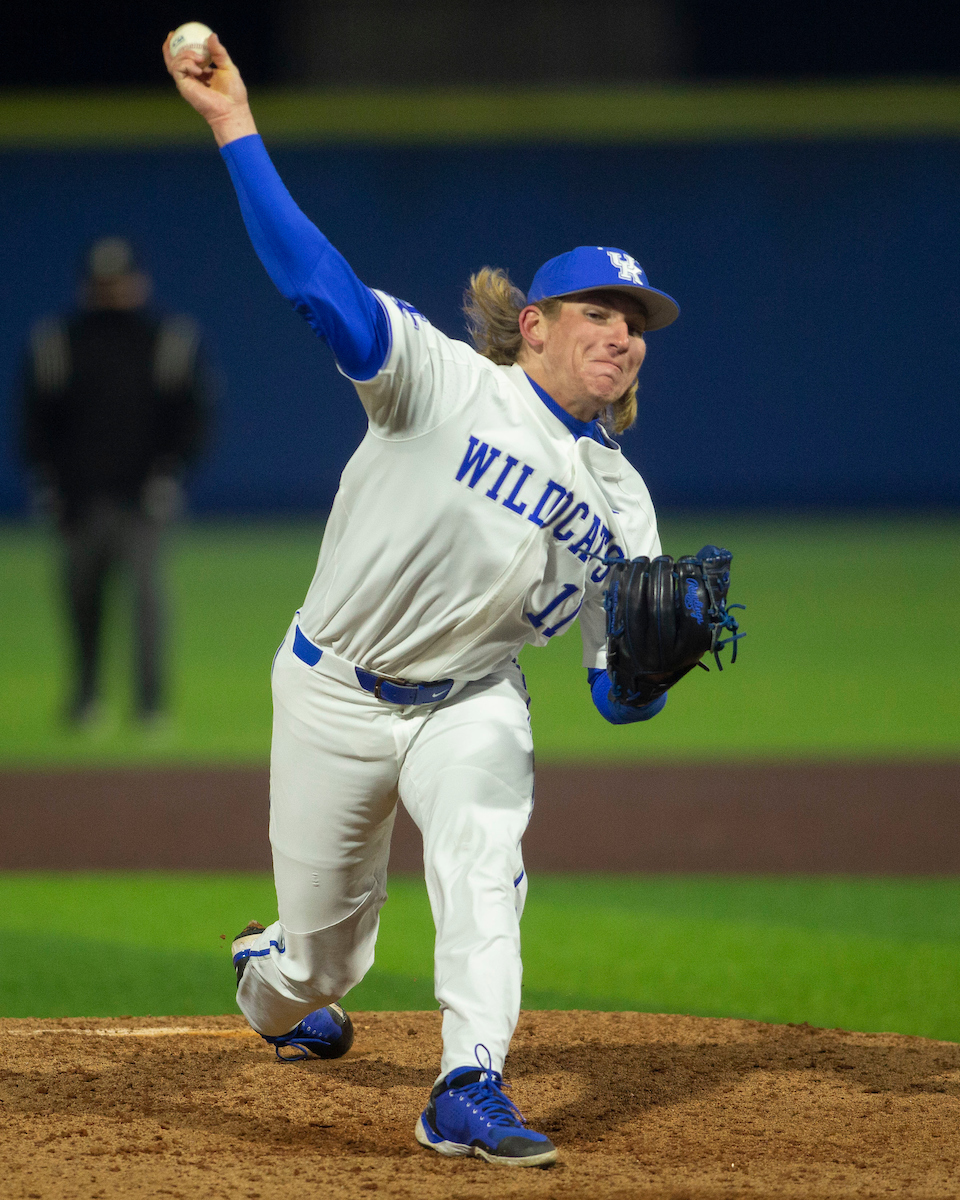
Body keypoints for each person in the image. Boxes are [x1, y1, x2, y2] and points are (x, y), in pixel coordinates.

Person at [164, 31, 679, 1168]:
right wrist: (233, 126)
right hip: (332, 693)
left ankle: (468, 1084)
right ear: (534, 325)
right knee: (321, 965)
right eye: (598, 310)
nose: (622, 334)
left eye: (635, 322)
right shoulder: (441, 382)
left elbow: (612, 692)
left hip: (470, 702)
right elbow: (316, 284)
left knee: (484, 860)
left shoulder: (626, 506)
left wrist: (642, 676)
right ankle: (275, 977)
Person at [19, 235, 210, 726]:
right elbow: (35, 420)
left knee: (147, 602)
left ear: (138, 283)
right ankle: (86, 700)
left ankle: (150, 706)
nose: (112, 293)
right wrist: (49, 481)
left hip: (141, 498)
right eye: (103, 285)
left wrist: (170, 472)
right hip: (78, 500)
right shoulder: (58, 341)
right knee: (81, 600)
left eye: (119, 283)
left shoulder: (165, 339)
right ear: (87, 287)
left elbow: (192, 416)